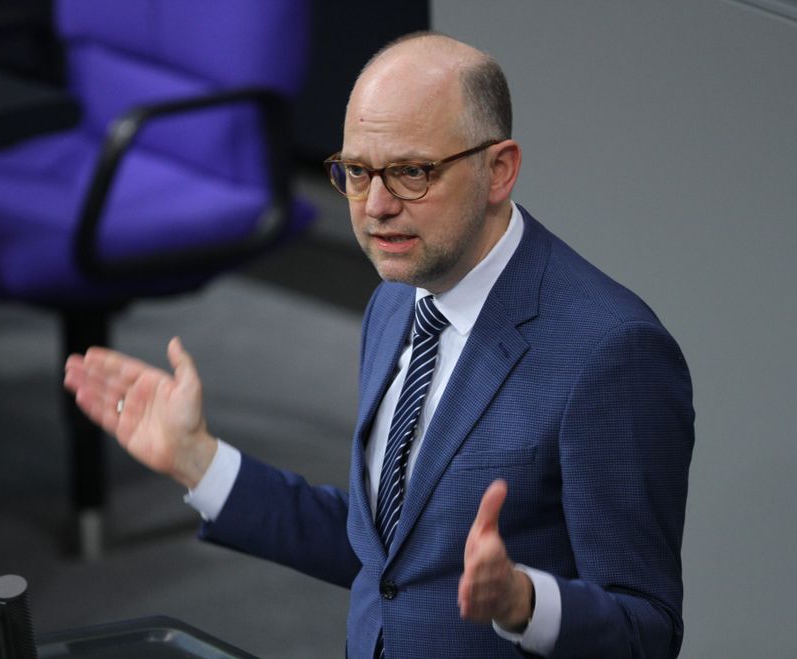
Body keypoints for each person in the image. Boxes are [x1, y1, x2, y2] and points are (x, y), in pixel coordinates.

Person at [64, 32, 694, 659]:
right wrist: (197, 460)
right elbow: (391, 558)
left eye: (412, 173)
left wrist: (525, 602)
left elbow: (648, 631)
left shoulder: (611, 353)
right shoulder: (396, 298)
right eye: (357, 172)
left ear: (498, 170)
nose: (376, 207)